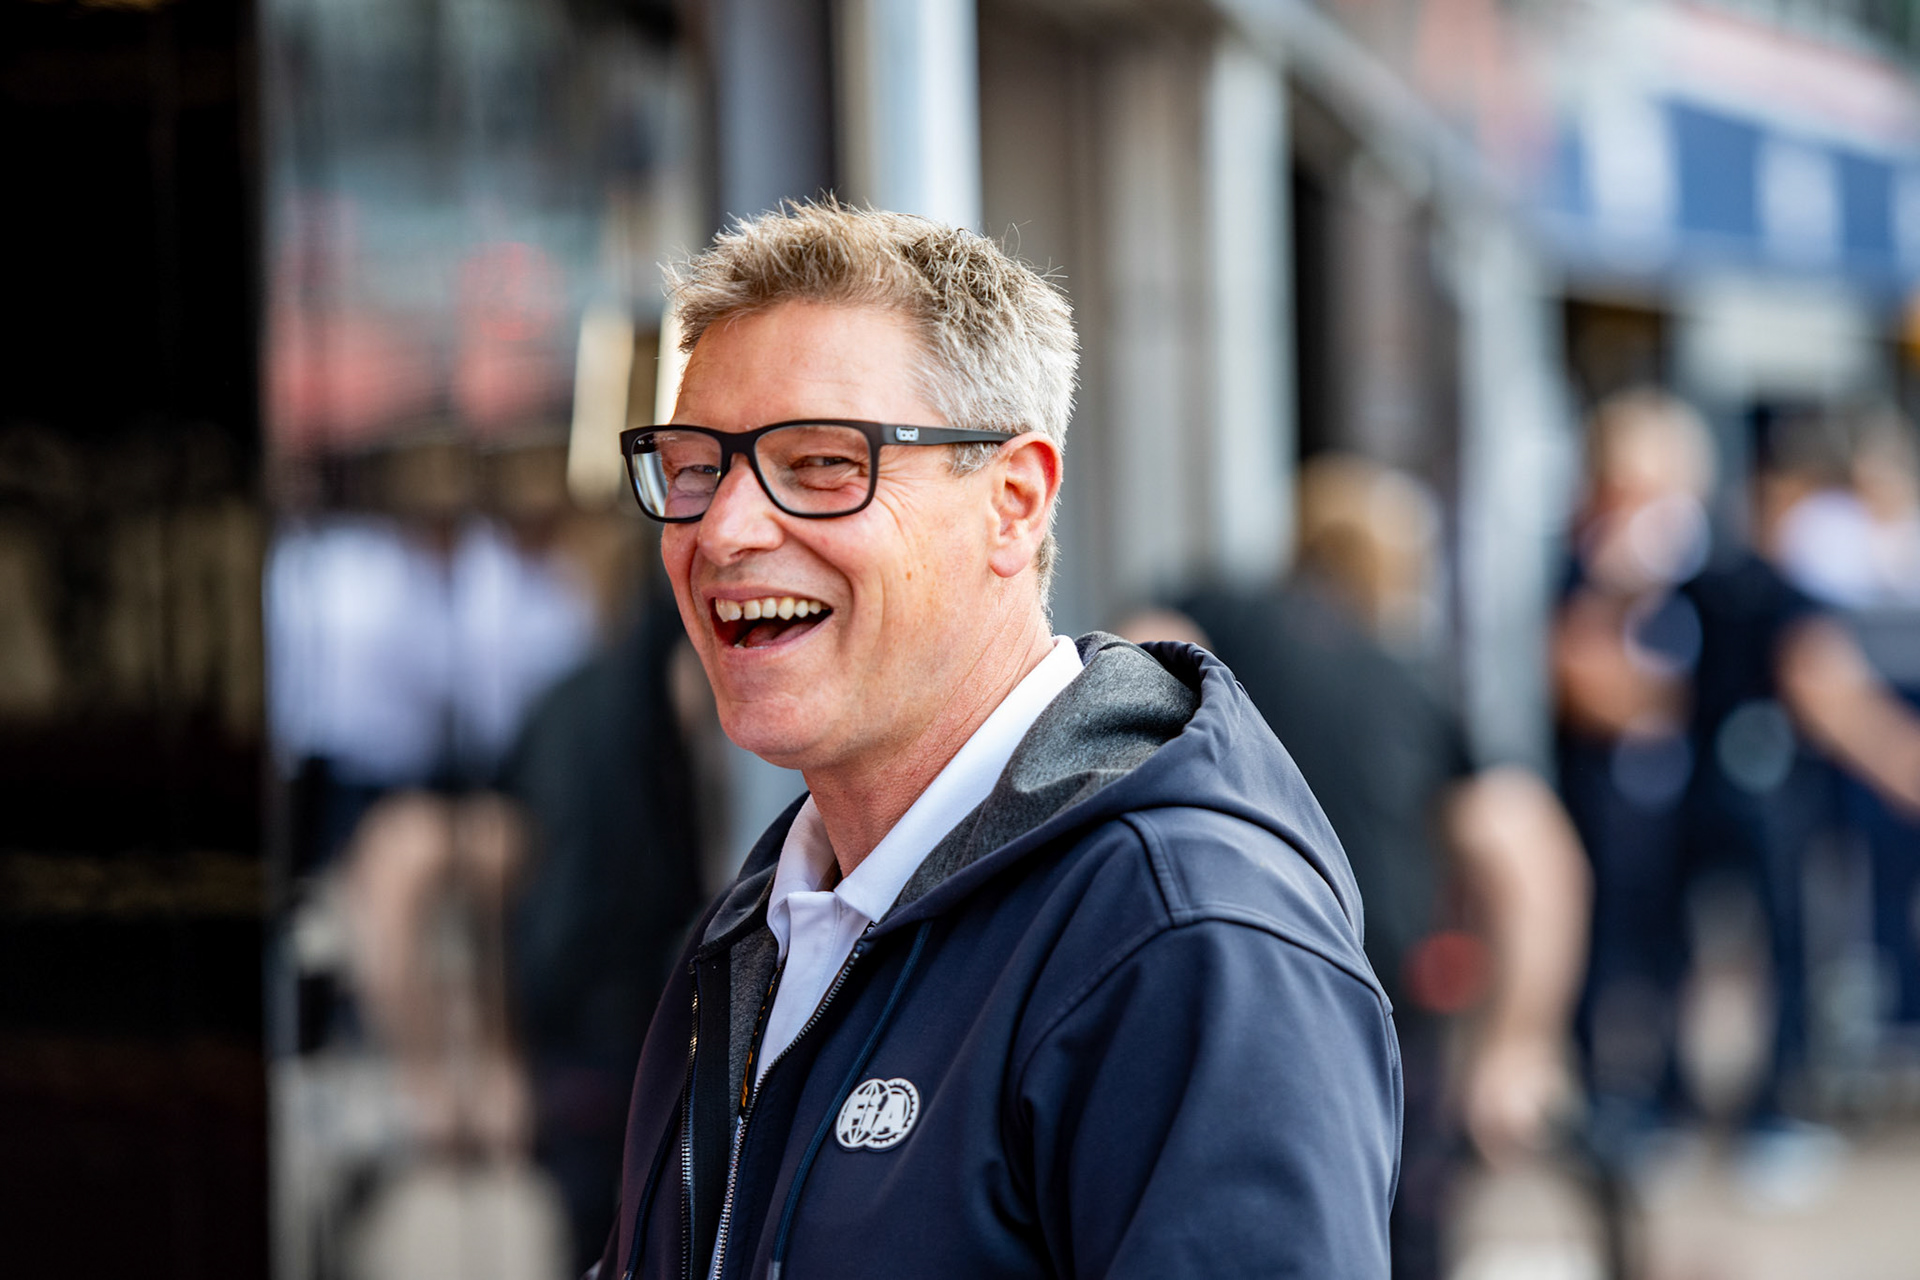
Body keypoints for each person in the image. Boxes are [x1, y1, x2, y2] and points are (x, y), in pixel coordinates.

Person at [593, 202, 1400, 1280]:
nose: (726, 529)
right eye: (694, 467)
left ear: (1014, 503)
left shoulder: (1184, 934)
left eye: (824, 462)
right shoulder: (757, 933)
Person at [1122, 454, 1590, 1280]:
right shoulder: (1412, 683)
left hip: (1204, 982)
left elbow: (1127, 665)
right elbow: (1531, 855)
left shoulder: (1216, 615)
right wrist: (1520, 1051)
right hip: (1371, 1008)